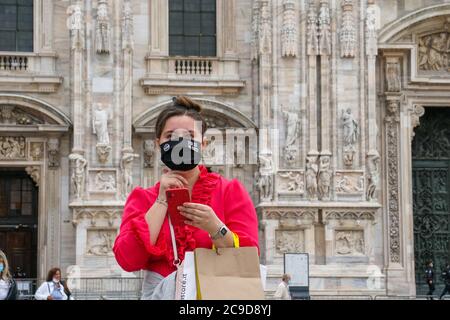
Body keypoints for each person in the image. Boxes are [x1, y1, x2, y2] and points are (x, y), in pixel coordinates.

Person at [113, 96, 259, 300]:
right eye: (170, 136)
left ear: (204, 143)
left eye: (190, 136)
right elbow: (128, 260)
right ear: (158, 144)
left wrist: (216, 228)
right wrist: (161, 201)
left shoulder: (230, 191)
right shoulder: (143, 198)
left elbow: (249, 257)